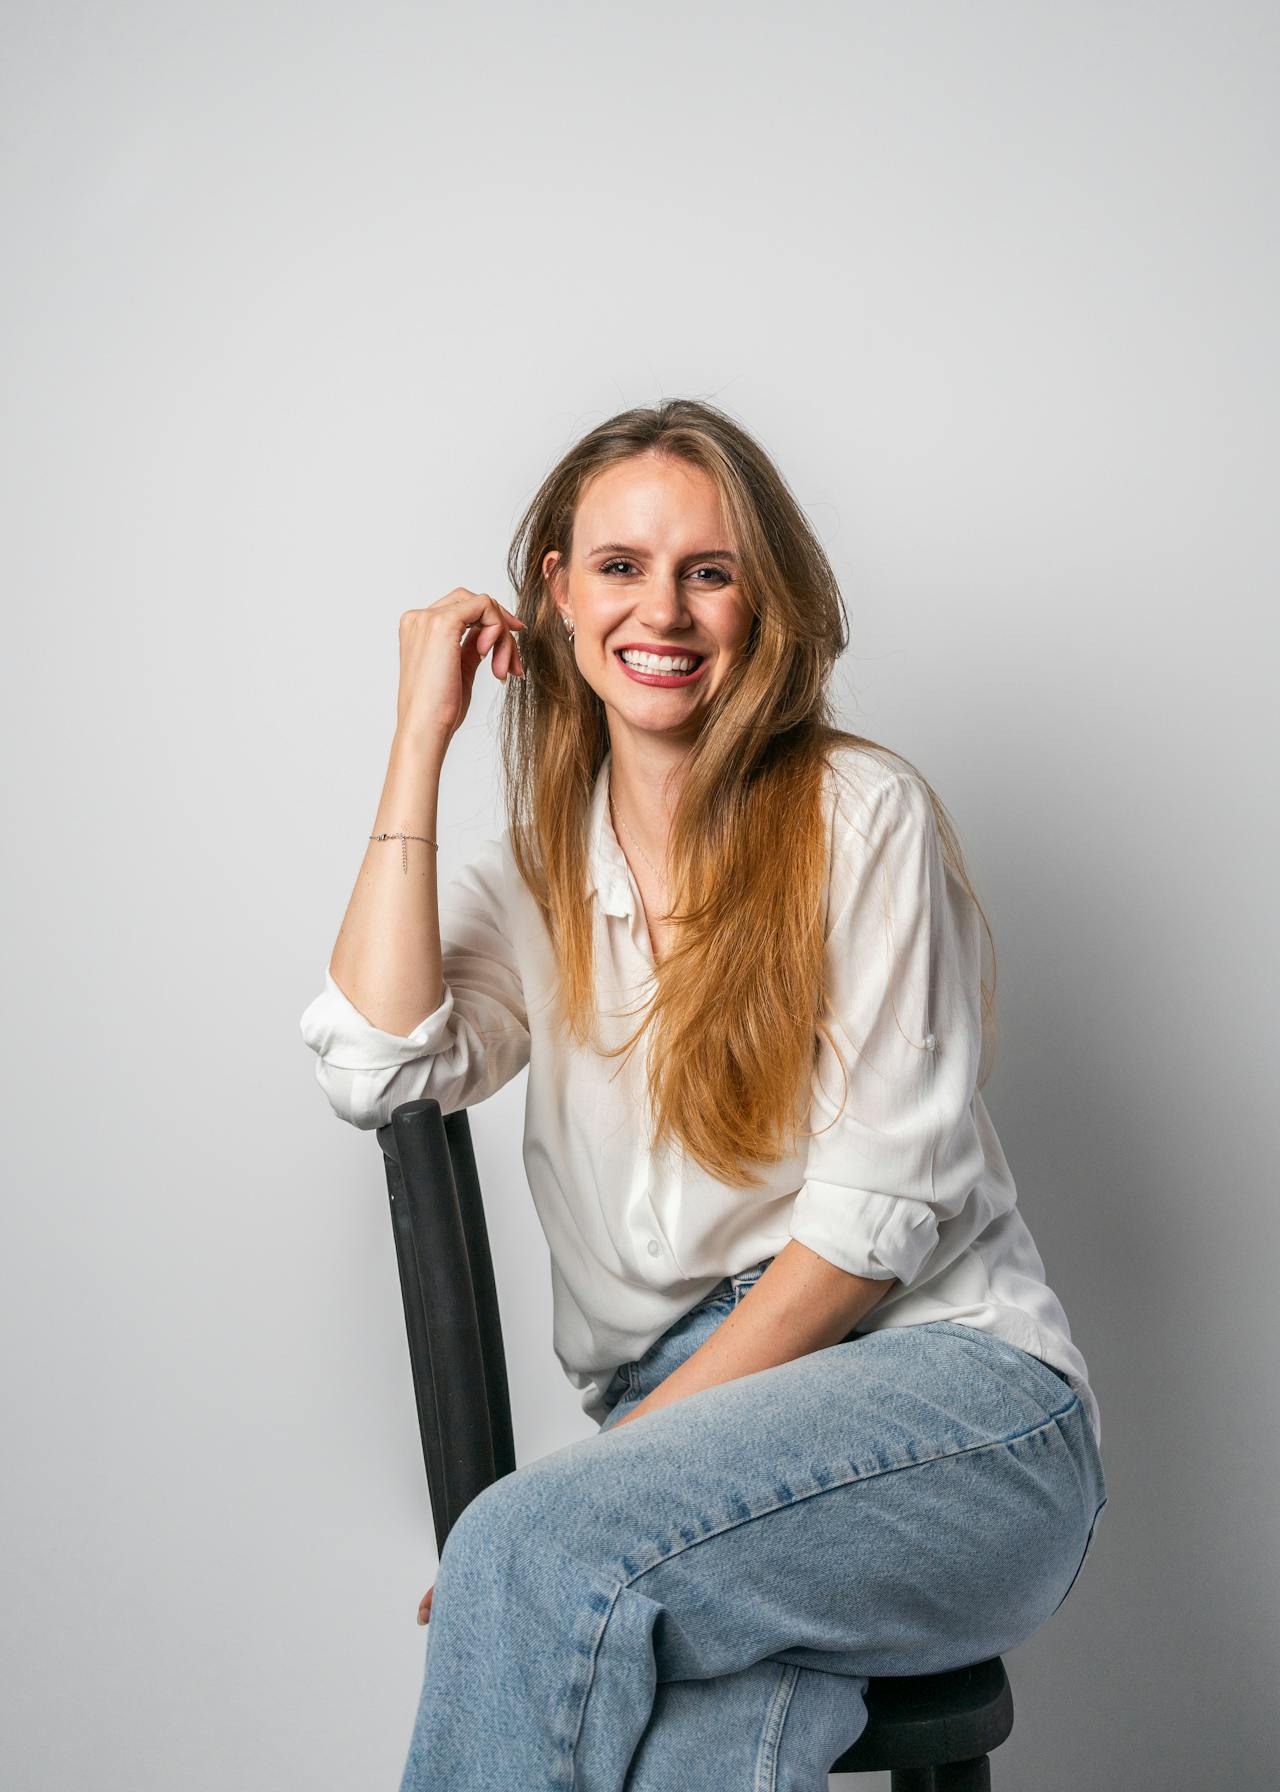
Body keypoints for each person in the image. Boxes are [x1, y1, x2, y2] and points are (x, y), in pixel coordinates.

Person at [298, 399, 1109, 1791]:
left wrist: (585, 1502)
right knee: (691, 1733)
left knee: (530, 1549)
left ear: (763, 600)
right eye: (618, 566)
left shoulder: (862, 817)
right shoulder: (542, 879)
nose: (660, 609)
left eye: (709, 569)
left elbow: (868, 1235)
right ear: (554, 593)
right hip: (710, 1458)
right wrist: (419, 736)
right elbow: (378, 1064)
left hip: (956, 1412)